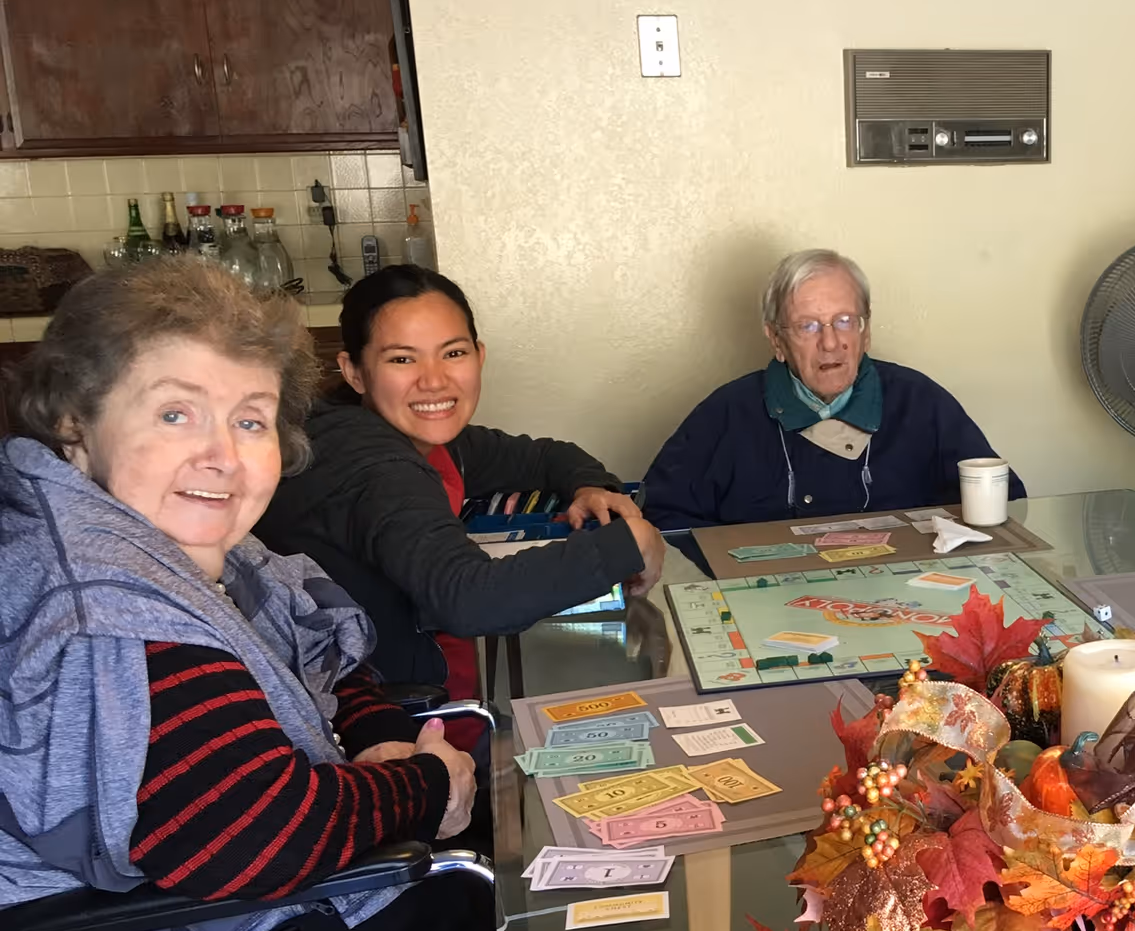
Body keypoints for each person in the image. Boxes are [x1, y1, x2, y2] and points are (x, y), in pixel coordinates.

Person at [0, 261, 492, 931]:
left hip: (200, 898)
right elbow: (255, 837)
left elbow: (320, 660)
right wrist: (428, 785)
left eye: (250, 420)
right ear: (73, 423)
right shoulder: (105, 602)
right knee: (494, 928)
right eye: (174, 413)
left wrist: (375, 738)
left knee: (510, 844)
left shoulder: (180, 544)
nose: (221, 456)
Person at [257, 265, 667, 696]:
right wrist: (630, 542)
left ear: (479, 356)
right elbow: (470, 598)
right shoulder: (370, 464)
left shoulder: (421, 437)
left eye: (453, 353)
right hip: (384, 727)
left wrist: (590, 487)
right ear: (354, 371)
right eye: (402, 359)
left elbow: (546, 456)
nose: (434, 381)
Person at [641, 248, 1025, 535]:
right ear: (776, 339)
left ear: (866, 330)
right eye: (807, 326)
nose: (830, 342)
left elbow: (1002, 499)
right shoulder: (724, 415)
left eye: (845, 321)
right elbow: (661, 521)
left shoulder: (920, 402)